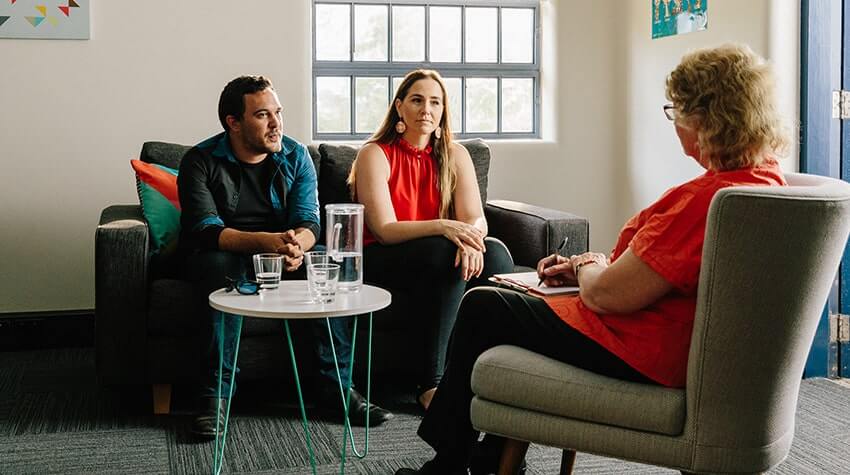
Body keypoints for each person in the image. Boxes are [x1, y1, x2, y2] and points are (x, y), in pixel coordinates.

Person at [395, 43, 789, 474]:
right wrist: (594, 264)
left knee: (483, 304)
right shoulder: (762, 181)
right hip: (657, 332)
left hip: (639, 345)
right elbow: (660, 275)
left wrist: (587, 268)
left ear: (705, 119)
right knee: (511, 292)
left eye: (675, 111)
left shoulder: (707, 201)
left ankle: (448, 463)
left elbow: (606, 296)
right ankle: (489, 455)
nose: (674, 123)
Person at [177, 75, 392, 440]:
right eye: (263, 115)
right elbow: (206, 230)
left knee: (327, 261)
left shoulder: (297, 156)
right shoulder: (200, 161)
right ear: (233, 122)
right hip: (226, 254)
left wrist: (298, 247)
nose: (276, 123)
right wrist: (269, 242)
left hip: (285, 251)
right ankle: (215, 398)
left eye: (278, 112)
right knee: (216, 266)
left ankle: (338, 390)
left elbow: (309, 220)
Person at [348, 69, 514, 411]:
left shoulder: (456, 155)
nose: (426, 109)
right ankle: (430, 383)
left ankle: (484, 377)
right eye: (417, 100)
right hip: (382, 257)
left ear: (443, 111)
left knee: (496, 254)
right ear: (399, 107)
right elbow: (384, 228)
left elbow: (474, 217)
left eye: (435, 102)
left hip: (437, 254)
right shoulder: (374, 154)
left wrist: (471, 238)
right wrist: (444, 227)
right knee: (443, 250)